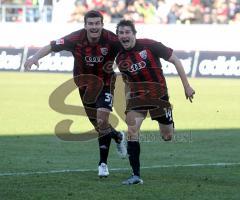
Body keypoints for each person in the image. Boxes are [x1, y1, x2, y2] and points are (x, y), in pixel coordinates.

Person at [24, 10, 127, 178]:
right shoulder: (75, 38)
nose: (94, 27)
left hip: (106, 84)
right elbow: (52, 45)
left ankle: (103, 164)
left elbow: (130, 49)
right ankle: (117, 135)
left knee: (102, 120)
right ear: (85, 25)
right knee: (99, 125)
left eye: (97, 23)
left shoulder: (111, 39)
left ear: (102, 24)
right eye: (90, 24)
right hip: (84, 86)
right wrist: (35, 57)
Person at [115, 20, 195, 185]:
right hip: (137, 98)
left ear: (134, 34)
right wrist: (126, 103)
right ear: (118, 36)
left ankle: (169, 121)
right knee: (132, 130)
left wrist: (187, 86)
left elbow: (176, 61)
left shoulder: (150, 45)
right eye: (121, 33)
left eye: (127, 32)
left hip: (159, 96)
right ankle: (135, 175)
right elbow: (127, 82)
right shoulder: (120, 57)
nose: (124, 36)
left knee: (167, 136)